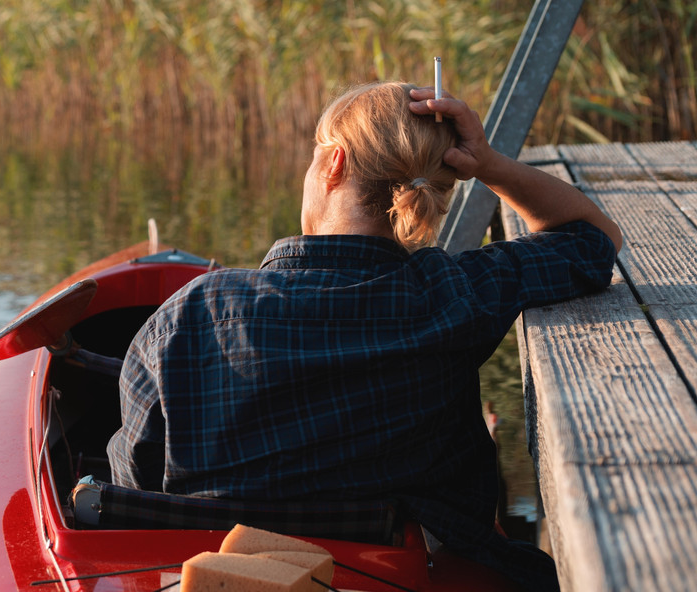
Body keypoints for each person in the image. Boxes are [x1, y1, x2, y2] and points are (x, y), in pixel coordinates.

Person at [106, 81, 622, 590]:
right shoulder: (456, 293)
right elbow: (593, 240)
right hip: (406, 571)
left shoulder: (190, 314)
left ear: (335, 163)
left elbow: (138, 492)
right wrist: (487, 163)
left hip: (217, 574)